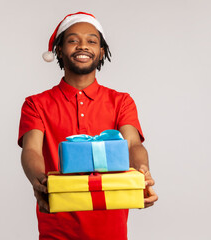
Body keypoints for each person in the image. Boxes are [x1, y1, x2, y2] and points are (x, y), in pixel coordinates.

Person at [18, 12, 158, 240]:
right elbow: (31, 149)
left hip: (111, 229)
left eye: (92, 41)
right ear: (59, 50)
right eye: (73, 40)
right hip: (57, 228)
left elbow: (132, 143)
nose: (83, 46)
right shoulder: (36, 103)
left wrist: (143, 171)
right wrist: (40, 182)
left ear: (101, 51)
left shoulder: (121, 101)